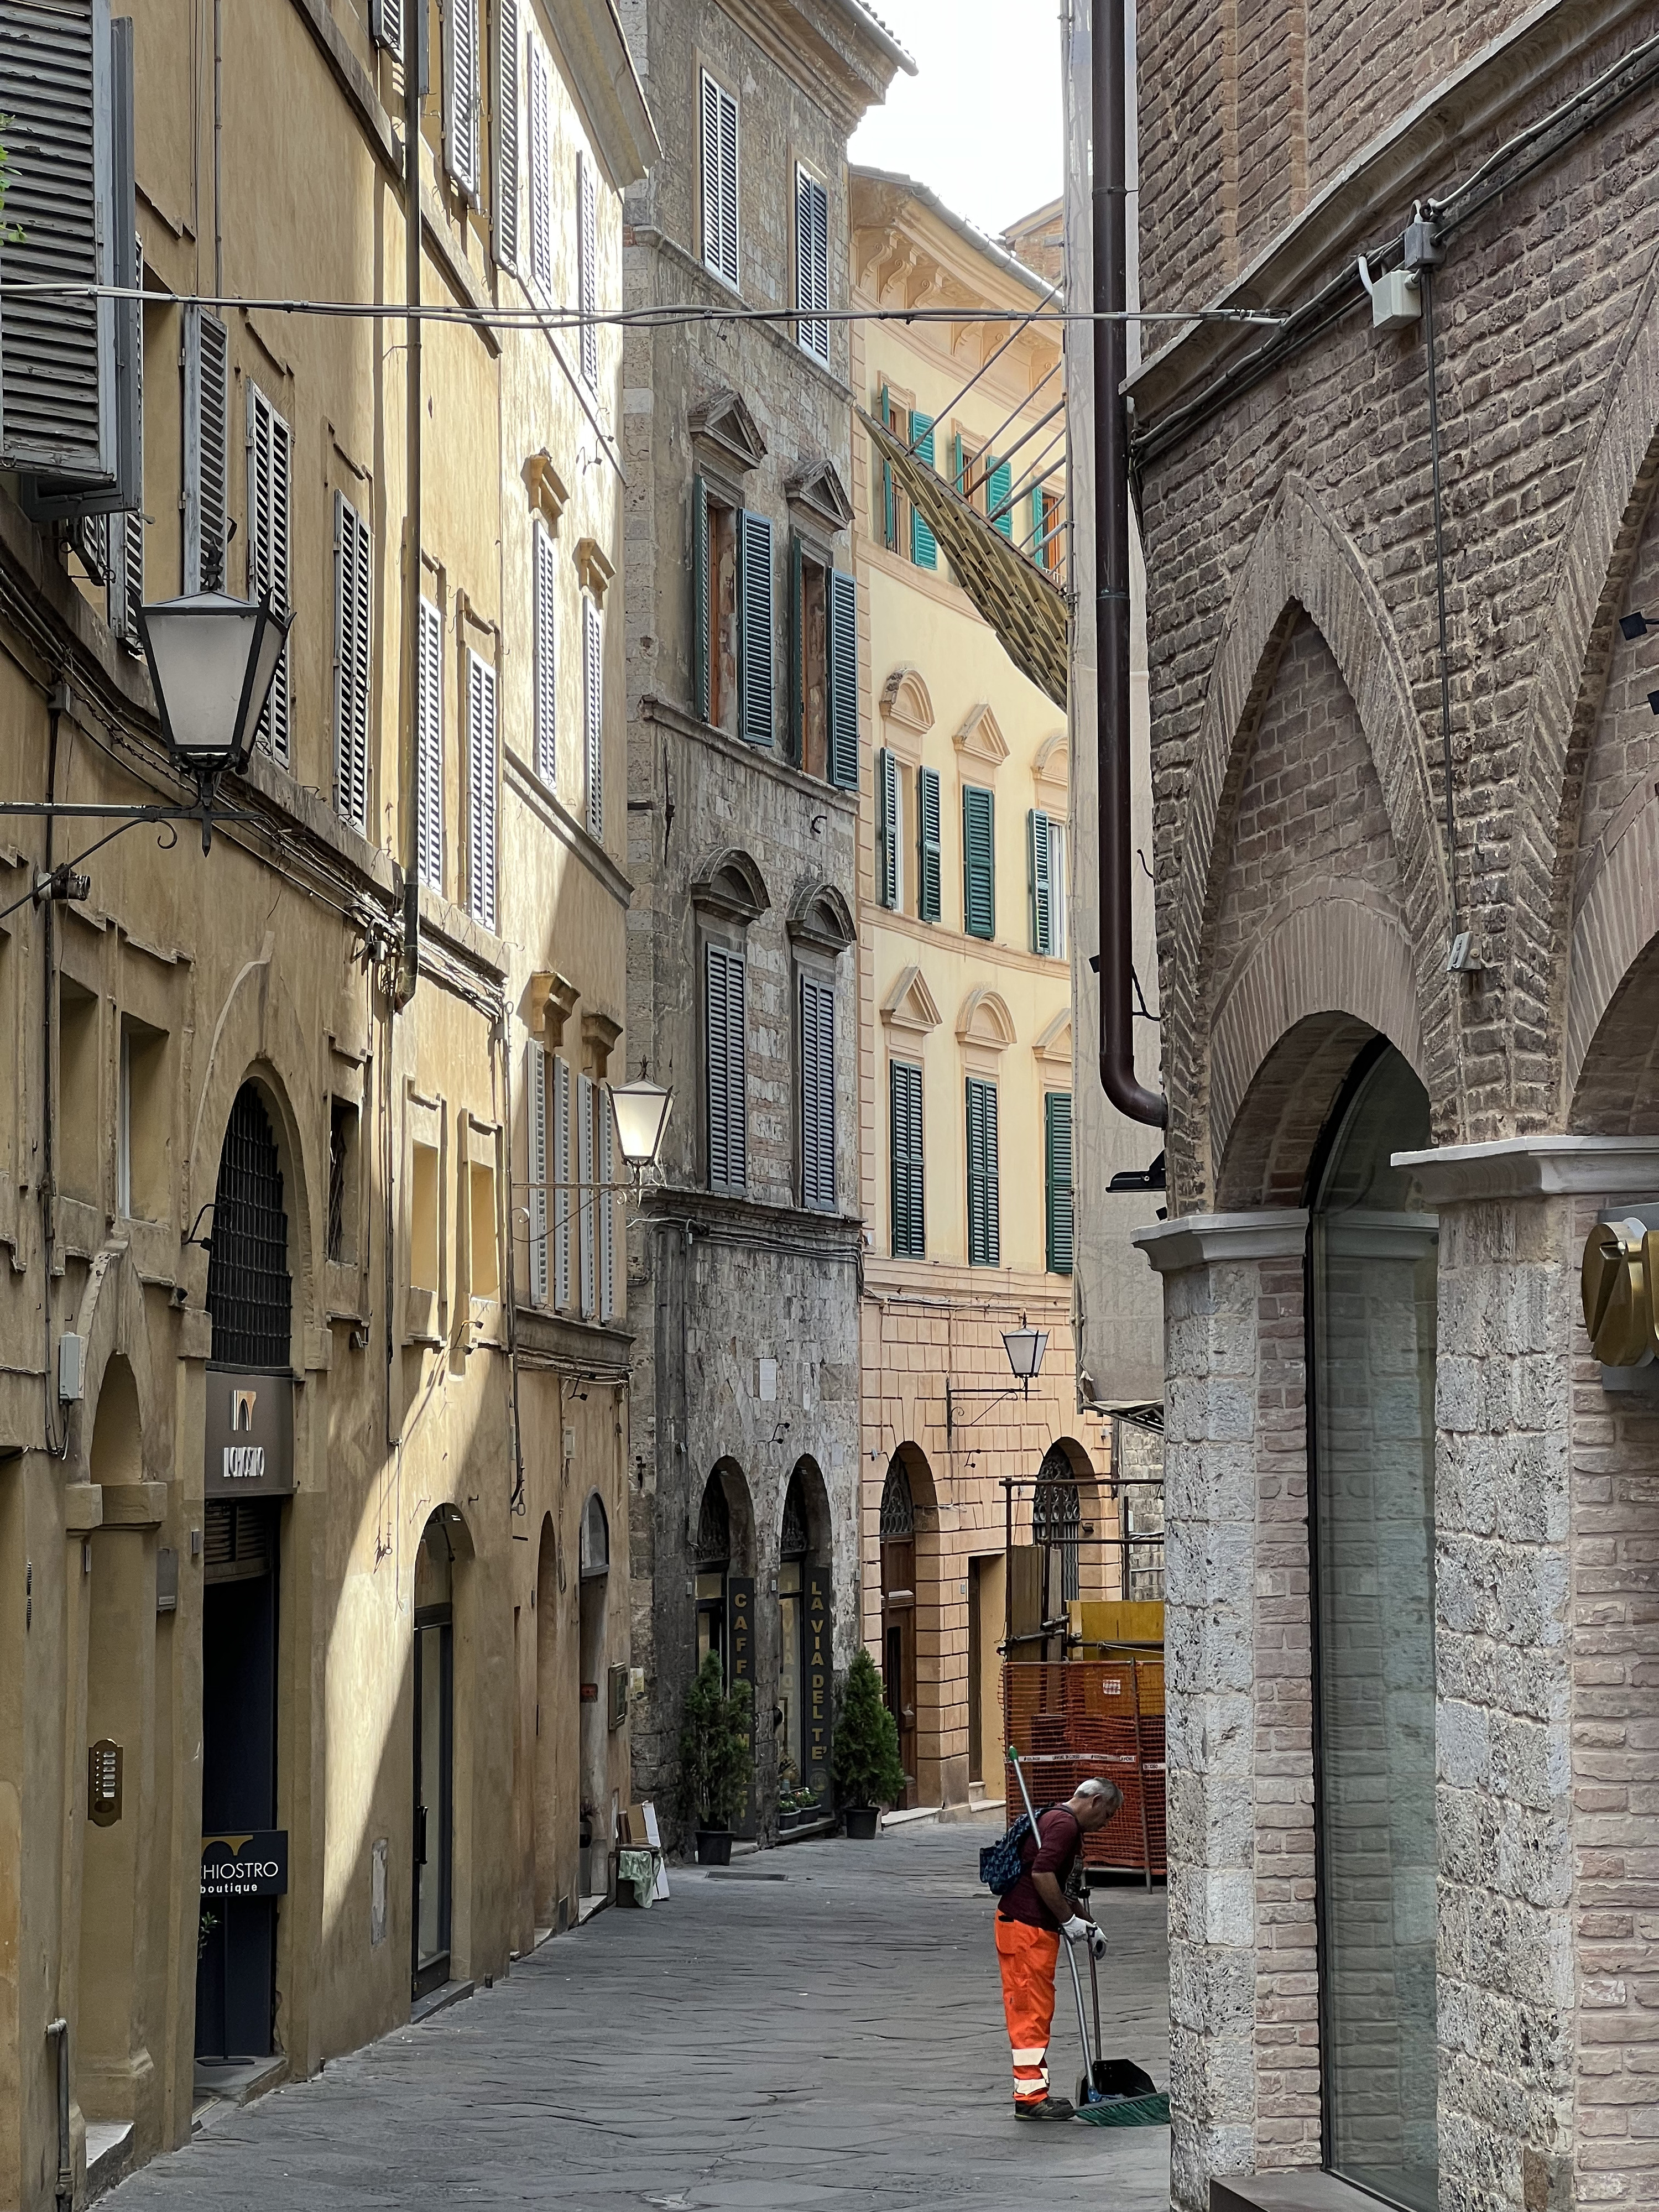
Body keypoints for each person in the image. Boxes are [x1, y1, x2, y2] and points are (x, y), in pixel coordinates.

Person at [995, 1776, 1124, 2121]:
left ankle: (1032, 2093)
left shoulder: (1053, 1818)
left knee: (1036, 2009)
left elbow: (1057, 1886)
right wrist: (1069, 1921)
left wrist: (1088, 1924)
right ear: (1096, 1802)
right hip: (1026, 1930)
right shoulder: (1065, 1825)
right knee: (1030, 2012)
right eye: (1108, 1815)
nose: (1105, 1824)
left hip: (1026, 1927)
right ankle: (1030, 2098)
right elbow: (1042, 1875)